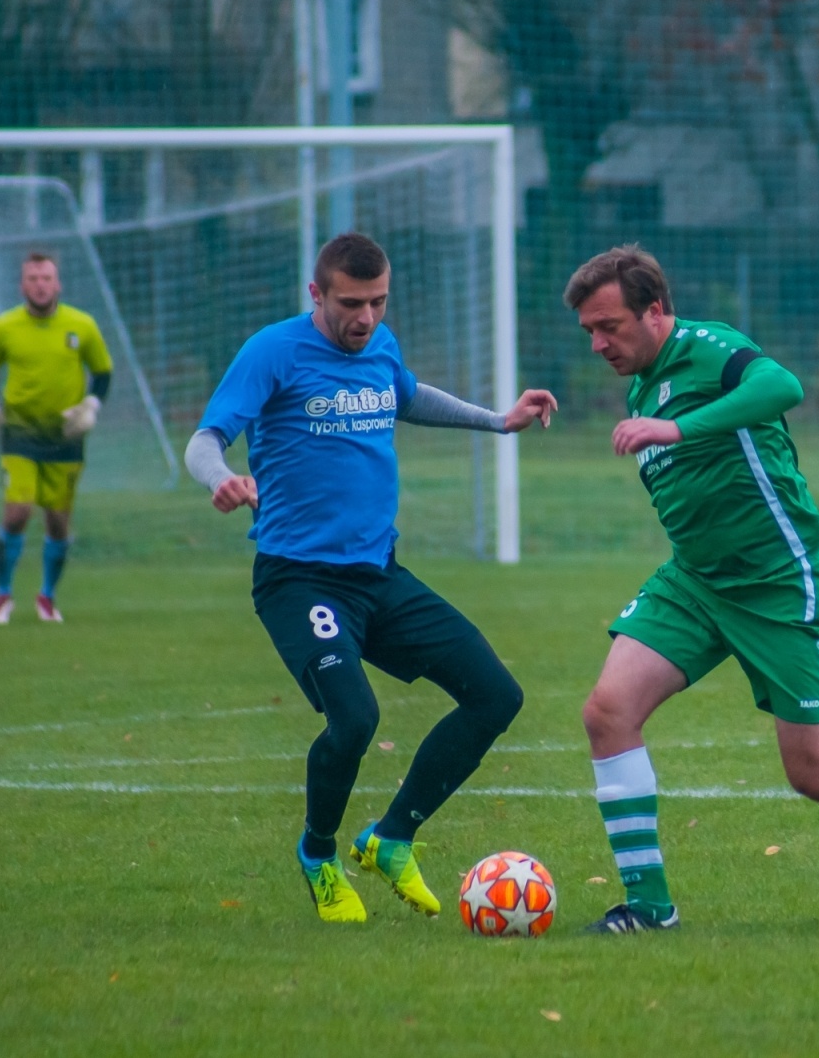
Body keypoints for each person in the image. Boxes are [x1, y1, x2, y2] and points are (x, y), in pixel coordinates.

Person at [563, 244, 819, 935]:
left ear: (655, 310)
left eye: (611, 326)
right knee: (607, 712)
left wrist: (677, 427)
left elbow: (783, 387)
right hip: (695, 580)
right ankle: (650, 909)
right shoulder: (642, 381)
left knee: (818, 775)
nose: (600, 343)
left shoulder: (708, 347)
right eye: (590, 333)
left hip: (781, 582)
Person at [184, 232, 557, 924]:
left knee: (495, 697)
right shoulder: (275, 350)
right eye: (351, 304)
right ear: (316, 294)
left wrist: (499, 422)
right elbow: (204, 439)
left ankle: (390, 838)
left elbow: (408, 397)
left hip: (379, 577)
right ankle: (319, 854)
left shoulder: (380, 346)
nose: (366, 318)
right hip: (299, 582)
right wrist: (223, 478)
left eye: (378, 302)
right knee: (354, 720)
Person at [0, 252, 112, 623]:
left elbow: (103, 372)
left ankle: (46, 596)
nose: (40, 285)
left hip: (65, 438)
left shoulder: (82, 325)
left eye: (46, 278)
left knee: (58, 522)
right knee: (17, 511)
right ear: (22, 285)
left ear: (57, 284)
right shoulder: (5, 327)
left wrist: (91, 405)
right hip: (19, 433)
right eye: (32, 278)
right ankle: (3, 594)